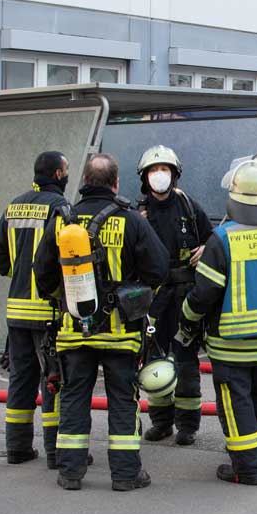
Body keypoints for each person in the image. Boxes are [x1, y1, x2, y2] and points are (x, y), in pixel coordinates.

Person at [33, 153, 168, 492]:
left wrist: (66, 301)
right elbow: (158, 268)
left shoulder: (64, 221)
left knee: (74, 398)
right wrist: (134, 295)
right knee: (123, 399)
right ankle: (125, 475)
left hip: (72, 330)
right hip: (120, 333)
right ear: (116, 183)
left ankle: (70, 473)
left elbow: (42, 272)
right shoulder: (130, 220)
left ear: (84, 181)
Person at [179, 160, 257, 485]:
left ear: (234, 198)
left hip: (230, 343)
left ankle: (246, 469)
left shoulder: (222, 240)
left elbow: (203, 294)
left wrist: (186, 322)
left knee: (236, 403)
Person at [0, 151, 70, 467]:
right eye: (66, 170)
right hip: (48, 311)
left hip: (17, 311)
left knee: (20, 381)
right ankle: (57, 452)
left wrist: (18, 273)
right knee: (54, 381)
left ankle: (18, 449)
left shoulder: (14, 205)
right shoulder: (60, 208)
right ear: (58, 175)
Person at [136, 146, 213, 446]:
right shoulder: (137, 212)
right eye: (154, 171)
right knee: (154, 360)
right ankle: (161, 422)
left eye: (165, 170)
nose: (159, 176)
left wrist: (206, 248)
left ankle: (187, 426)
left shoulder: (190, 208)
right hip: (154, 298)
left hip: (184, 295)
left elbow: (213, 238)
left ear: (175, 174)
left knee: (185, 361)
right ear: (145, 177)